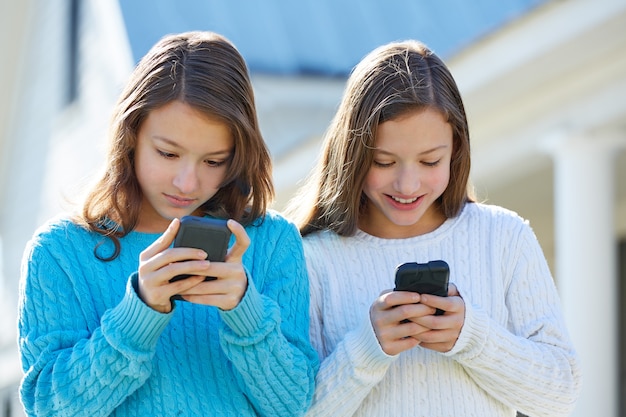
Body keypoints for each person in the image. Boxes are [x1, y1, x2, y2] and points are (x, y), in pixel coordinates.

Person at [17, 31, 318, 417]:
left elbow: (292, 405)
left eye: (213, 161)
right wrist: (140, 311)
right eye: (168, 153)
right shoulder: (59, 252)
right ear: (131, 137)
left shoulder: (272, 241)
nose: (187, 183)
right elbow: (49, 409)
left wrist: (245, 311)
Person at [285, 40, 582, 417]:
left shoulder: (504, 238)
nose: (408, 185)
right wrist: (368, 347)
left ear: (456, 150)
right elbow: (294, 411)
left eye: (429, 161)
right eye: (384, 161)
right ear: (353, 154)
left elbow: (561, 395)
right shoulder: (311, 259)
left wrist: (471, 337)